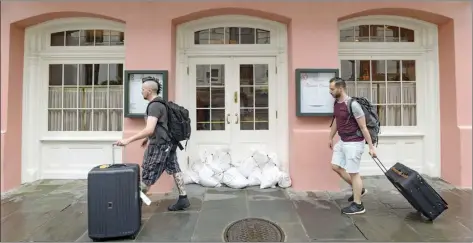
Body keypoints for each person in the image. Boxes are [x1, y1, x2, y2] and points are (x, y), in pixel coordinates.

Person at [114, 76, 190, 211]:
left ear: (149, 90)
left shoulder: (154, 106)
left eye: (143, 89)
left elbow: (149, 129)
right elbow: (159, 126)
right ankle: (183, 198)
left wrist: (127, 140)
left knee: (148, 174)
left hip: (160, 146)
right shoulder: (162, 103)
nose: (141, 92)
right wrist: (147, 138)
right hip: (168, 144)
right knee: (175, 168)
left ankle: (132, 207)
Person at [328, 77, 377, 215]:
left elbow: (363, 127)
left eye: (332, 89)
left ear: (340, 88)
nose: (330, 91)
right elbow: (337, 122)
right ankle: (359, 190)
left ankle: (358, 205)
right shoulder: (337, 103)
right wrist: (330, 137)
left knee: (354, 173)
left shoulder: (353, 105)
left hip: (354, 142)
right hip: (343, 141)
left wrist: (372, 147)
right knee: (335, 166)